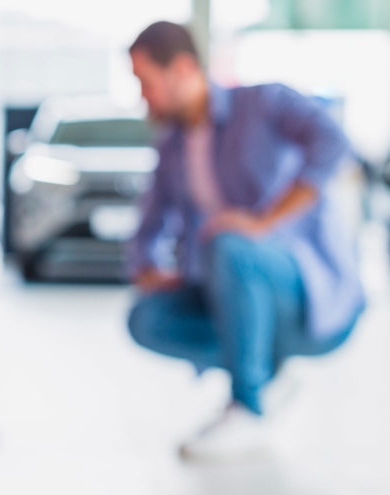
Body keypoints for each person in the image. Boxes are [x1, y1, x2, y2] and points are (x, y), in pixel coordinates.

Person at [126, 21, 364, 462]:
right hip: (229, 283)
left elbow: (332, 142)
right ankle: (263, 371)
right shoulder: (173, 144)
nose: (144, 97)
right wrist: (148, 267)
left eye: (147, 83)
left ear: (181, 68)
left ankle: (248, 406)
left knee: (230, 242)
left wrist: (265, 220)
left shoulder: (262, 102)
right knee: (147, 319)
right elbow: (150, 222)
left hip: (300, 284)